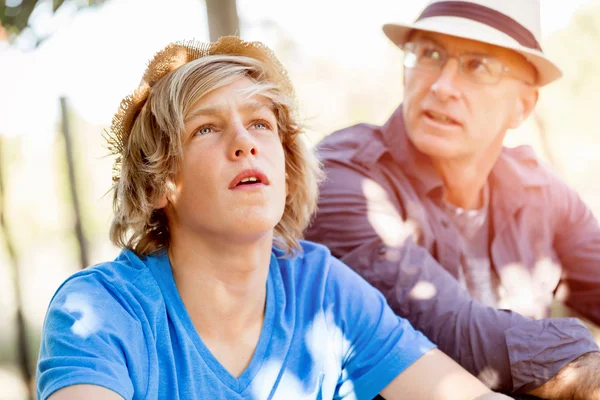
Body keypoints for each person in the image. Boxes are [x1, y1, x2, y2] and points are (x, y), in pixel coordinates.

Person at [36, 36, 511, 400]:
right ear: (161, 182)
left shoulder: (323, 290)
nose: (245, 142)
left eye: (260, 123)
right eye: (206, 127)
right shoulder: (100, 310)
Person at [305, 0, 600, 398]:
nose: (442, 86)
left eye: (478, 65)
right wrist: (581, 368)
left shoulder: (541, 193)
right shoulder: (345, 178)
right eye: (429, 54)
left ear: (523, 105)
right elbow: (447, 327)